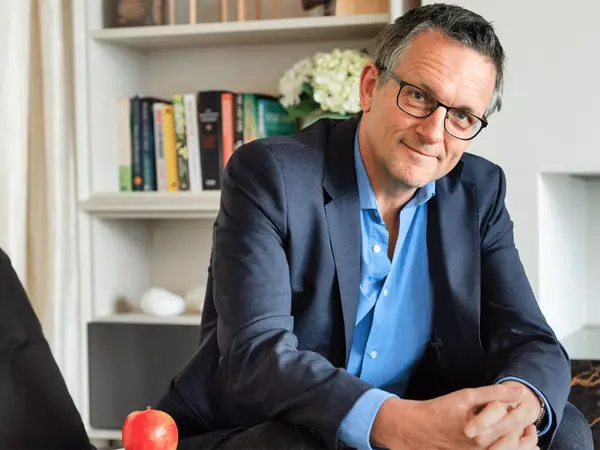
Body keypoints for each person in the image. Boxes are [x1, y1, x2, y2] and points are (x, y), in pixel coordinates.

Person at [157, 4, 593, 450]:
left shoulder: (478, 190)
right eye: (419, 96)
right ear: (369, 87)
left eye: (462, 116)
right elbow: (256, 354)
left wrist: (513, 410)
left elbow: (529, 337)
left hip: (418, 411)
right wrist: (403, 424)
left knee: (563, 429)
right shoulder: (271, 174)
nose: (434, 133)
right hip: (280, 425)